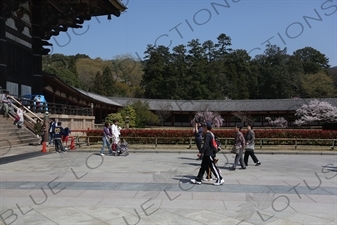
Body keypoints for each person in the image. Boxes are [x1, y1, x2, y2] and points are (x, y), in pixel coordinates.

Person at [190, 121, 224, 186]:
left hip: (209, 153)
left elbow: (206, 145)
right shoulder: (210, 133)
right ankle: (198, 179)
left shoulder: (208, 135)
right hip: (207, 153)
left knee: (212, 166)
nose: (203, 128)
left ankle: (220, 179)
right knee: (203, 167)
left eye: (204, 126)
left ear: (206, 127)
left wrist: (201, 152)